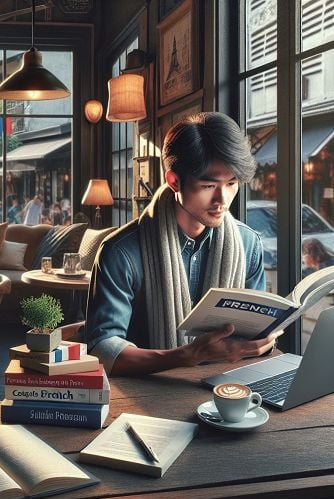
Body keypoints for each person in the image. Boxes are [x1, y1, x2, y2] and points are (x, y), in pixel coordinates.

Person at [86, 112, 280, 376]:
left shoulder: (248, 244)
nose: (222, 199)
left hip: (227, 388)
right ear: (174, 181)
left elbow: (254, 331)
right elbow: (103, 349)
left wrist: (262, 342)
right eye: (208, 185)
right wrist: (186, 356)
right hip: (146, 395)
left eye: (232, 183)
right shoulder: (121, 252)